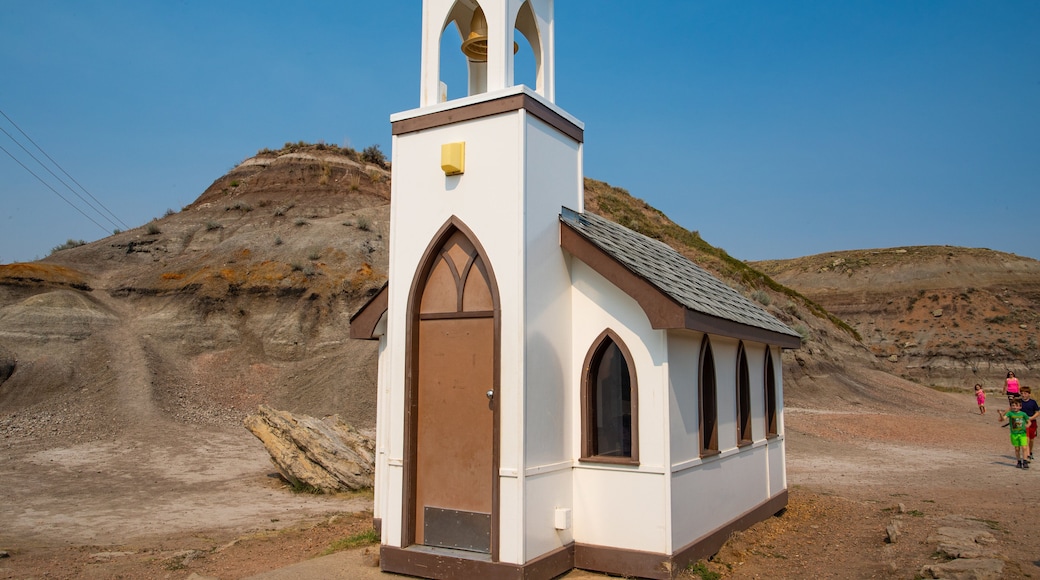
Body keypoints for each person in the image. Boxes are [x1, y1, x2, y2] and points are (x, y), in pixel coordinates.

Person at [999, 398, 1030, 468]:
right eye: (1013, 405)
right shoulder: (1010, 413)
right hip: (1014, 434)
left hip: (1022, 433)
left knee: (1024, 447)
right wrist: (1001, 414)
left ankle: (1025, 461)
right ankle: (1018, 461)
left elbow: (1029, 421)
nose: (1014, 407)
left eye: (1016, 405)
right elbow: (1003, 419)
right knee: (1017, 448)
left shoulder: (1023, 414)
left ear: (1020, 406)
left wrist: (1027, 425)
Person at [1019, 387, 1039, 461]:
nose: (1023, 395)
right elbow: (1013, 409)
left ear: (1029, 394)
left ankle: (1030, 452)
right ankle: (1027, 456)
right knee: (1026, 439)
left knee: (1031, 439)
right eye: (1022, 393)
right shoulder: (1019, 402)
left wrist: (1031, 418)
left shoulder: (1033, 402)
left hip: (1032, 422)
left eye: (1025, 393)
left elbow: (1037, 412)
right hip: (1023, 423)